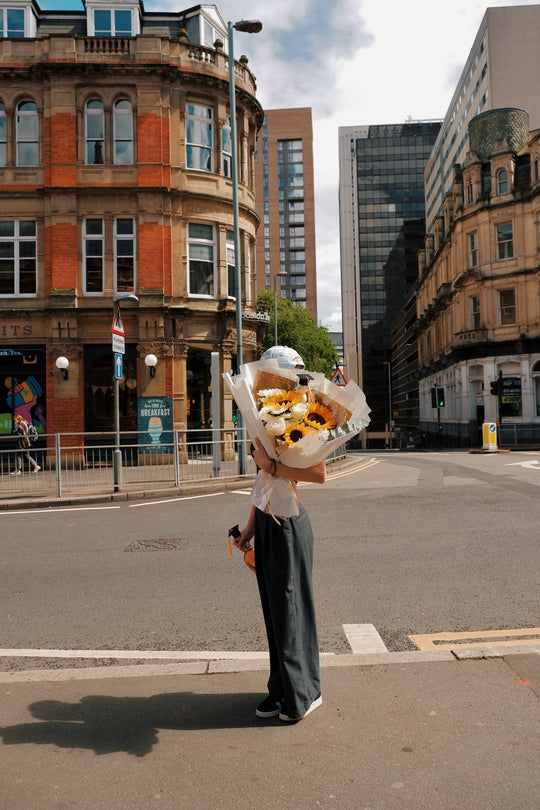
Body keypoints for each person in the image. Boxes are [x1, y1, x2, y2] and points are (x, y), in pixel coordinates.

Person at [234, 346, 326, 723]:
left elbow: (318, 473)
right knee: (277, 616)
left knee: (291, 612)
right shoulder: (270, 414)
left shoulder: (306, 415)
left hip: (289, 527)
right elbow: (264, 480)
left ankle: (303, 694)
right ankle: (281, 689)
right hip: (271, 525)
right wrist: (249, 530)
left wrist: (271, 462)